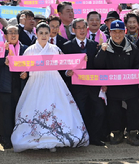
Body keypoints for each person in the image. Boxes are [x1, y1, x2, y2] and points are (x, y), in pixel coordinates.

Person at [11, 23, 89, 152]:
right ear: (36, 34)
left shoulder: (55, 49)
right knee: (36, 109)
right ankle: (37, 138)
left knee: (57, 108)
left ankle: (56, 139)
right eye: (41, 33)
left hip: (53, 80)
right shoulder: (29, 50)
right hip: (35, 81)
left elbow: (65, 63)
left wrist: (79, 61)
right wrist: (24, 72)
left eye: (46, 33)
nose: (43, 36)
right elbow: (23, 66)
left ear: (50, 34)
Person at [94, 20, 139, 146]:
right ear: (110, 32)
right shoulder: (105, 47)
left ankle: (132, 134)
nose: (117, 35)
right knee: (114, 111)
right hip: (113, 87)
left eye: (120, 32)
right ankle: (117, 133)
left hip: (130, 87)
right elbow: (98, 65)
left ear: (124, 32)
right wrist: (102, 52)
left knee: (134, 110)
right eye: (114, 32)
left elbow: (138, 61)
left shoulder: (132, 47)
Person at [62, 18, 106, 146]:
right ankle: (80, 137)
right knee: (80, 111)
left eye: (83, 27)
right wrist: (67, 72)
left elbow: (99, 65)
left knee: (99, 111)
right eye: (78, 28)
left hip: (93, 86)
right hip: (77, 86)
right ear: (73, 30)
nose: (81, 30)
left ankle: (95, 137)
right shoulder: (67, 46)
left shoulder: (94, 45)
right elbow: (62, 66)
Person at [0, 25, 28, 149]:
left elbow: (30, 65)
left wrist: (27, 73)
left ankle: (19, 137)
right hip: (5, 86)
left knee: (19, 112)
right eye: (10, 32)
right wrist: (3, 61)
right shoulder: (1, 49)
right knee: (6, 113)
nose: (13, 35)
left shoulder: (25, 49)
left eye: (16, 32)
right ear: (5, 35)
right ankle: (7, 138)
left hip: (20, 85)